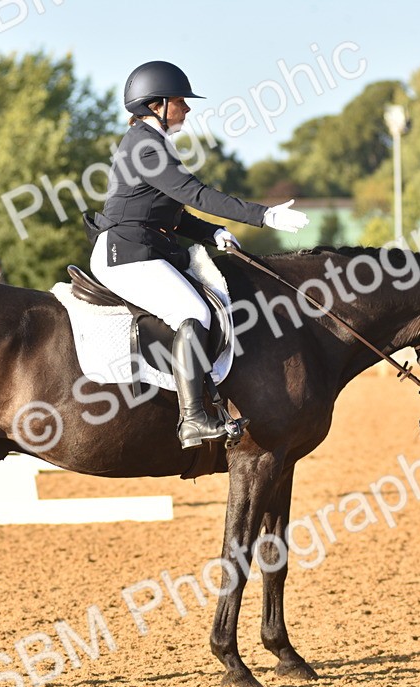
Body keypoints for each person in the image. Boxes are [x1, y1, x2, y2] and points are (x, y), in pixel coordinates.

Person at [89, 61, 309, 449]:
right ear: (155, 104)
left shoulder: (147, 141)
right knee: (194, 312)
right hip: (128, 254)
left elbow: (172, 210)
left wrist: (213, 232)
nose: (187, 109)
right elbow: (196, 193)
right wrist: (264, 214)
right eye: (180, 101)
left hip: (142, 249)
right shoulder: (144, 144)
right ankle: (192, 419)